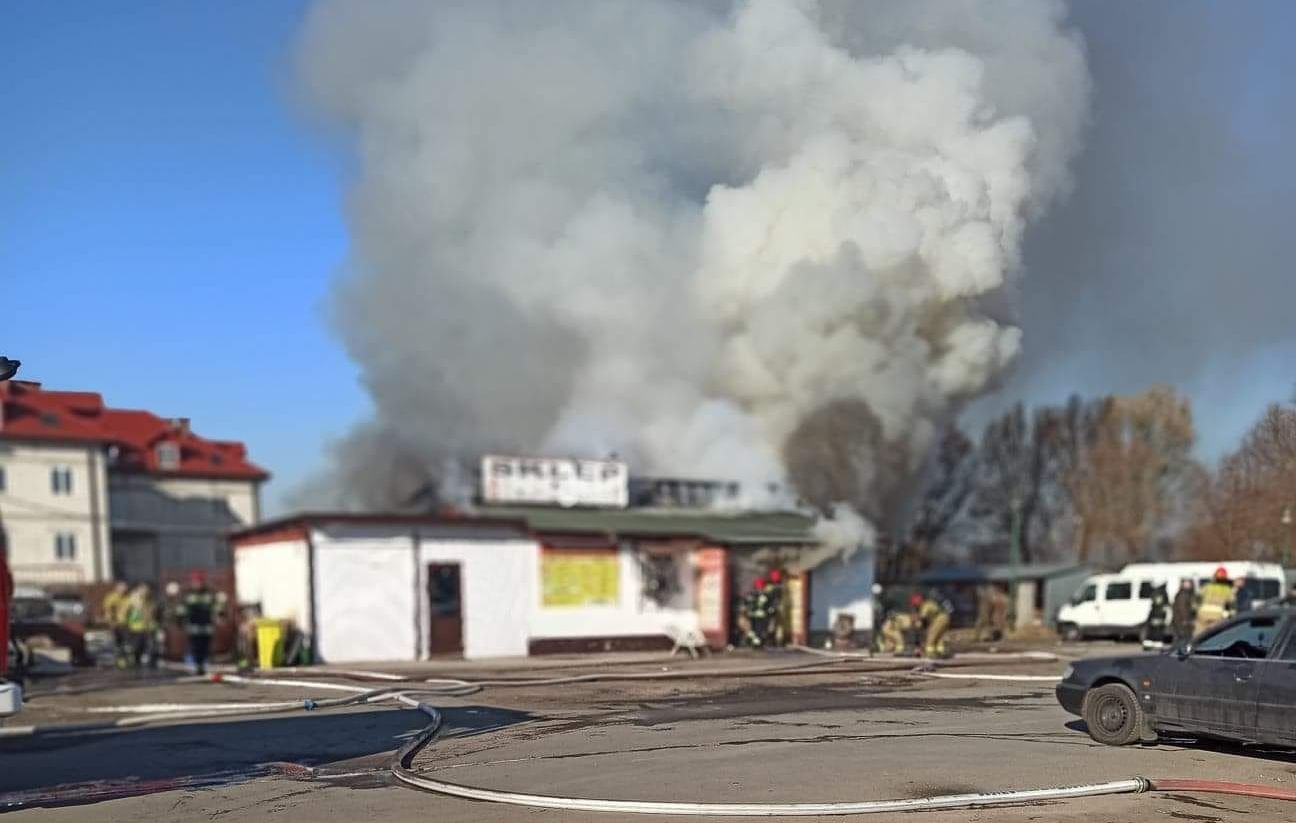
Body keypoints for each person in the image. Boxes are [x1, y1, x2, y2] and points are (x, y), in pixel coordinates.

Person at [175, 571, 221, 674]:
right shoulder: (187, 594)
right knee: (196, 646)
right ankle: (198, 665)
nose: (197, 584)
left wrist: (220, 614)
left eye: (199, 581)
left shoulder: (209, 593)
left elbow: (216, 606)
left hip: (207, 627)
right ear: (192, 582)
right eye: (195, 582)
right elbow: (181, 608)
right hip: (193, 627)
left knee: (205, 646)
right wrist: (179, 619)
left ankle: (202, 664)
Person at [1195, 567, 1236, 637]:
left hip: (1203, 615)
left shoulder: (1207, 587)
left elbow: (1197, 600)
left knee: (1199, 636)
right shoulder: (1227, 590)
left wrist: (1195, 611)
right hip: (1217, 616)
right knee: (1215, 636)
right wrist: (1230, 615)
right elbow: (1232, 605)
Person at [123, 584, 157, 668]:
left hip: (148, 628)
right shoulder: (133, 601)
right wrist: (126, 625)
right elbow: (125, 614)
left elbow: (154, 614)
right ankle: (135, 662)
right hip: (136, 628)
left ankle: (150, 662)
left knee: (150, 647)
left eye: (146, 590)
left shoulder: (150, 601)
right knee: (136, 648)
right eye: (142, 590)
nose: (144, 592)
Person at [912, 592, 952, 659]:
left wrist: (919, 626)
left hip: (939, 618)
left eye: (915, 605)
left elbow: (923, 619)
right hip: (945, 617)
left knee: (931, 637)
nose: (915, 607)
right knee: (939, 637)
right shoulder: (929, 603)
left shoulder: (924, 606)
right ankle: (941, 652)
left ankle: (930, 654)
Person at [100, 581, 130, 668]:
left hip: (126, 624)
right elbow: (108, 611)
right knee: (117, 643)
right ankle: (119, 660)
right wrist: (111, 622)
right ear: (117, 588)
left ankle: (125, 660)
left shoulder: (128, 598)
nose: (124, 590)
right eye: (122, 588)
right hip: (116, 624)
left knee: (126, 644)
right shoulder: (111, 598)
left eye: (125, 588)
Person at [1171, 579, 1196, 646]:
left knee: (1181, 639)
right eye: (1186, 584)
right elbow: (1182, 609)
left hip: (1180, 621)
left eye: (1189, 583)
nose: (1189, 585)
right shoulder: (1183, 595)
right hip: (1182, 622)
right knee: (1183, 639)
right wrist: (1186, 620)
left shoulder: (1185, 594)